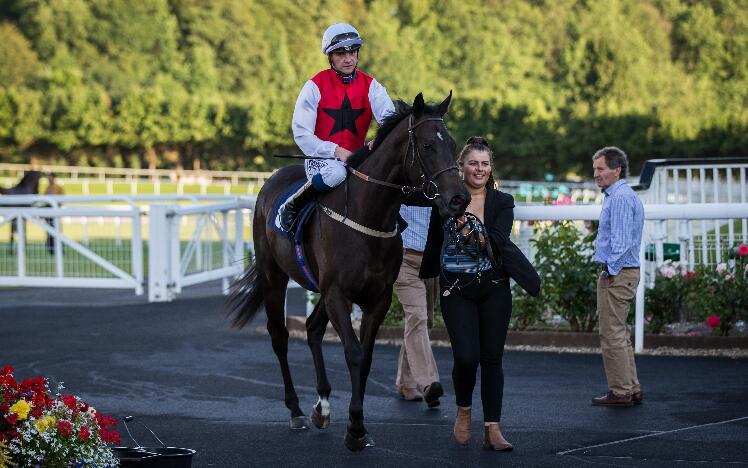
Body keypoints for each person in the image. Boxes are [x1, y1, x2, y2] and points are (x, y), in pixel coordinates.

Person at [419, 137, 539, 451]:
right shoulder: (444, 198)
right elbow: (428, 231)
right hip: (455, 289)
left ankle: (492, 428)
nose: (480, 169)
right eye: (473, 162)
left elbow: (497, 241)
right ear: (461, 167)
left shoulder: (502, 202)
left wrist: (469, 227)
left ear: (491, 168)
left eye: (485, 163)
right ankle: (463, 410)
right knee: (466, 356)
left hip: (494, 288)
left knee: (492, 360)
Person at [276, 22, 395, 231]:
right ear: (330, 57)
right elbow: (301, 133)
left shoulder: (372, 86)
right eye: (340, 53)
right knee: (337, 173)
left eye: (352, 52)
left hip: (357, 161)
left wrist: (381, 138)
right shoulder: (314, 85)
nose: (348, 59)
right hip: (322, 162)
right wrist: (336, 151)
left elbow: (390, 119)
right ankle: (293, 204)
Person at [590, 146, 644, 407]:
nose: (596, 174)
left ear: (616, 169)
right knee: (619, 334)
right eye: (595, 169)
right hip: (625, 272)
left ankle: (621, 392)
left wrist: (609, 271)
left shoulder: (620, 198)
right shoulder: (621, 195)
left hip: (619, 274)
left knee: (611, 334)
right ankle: (631, 388)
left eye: (600, 169)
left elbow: (620, 243)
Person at [394, 205, 442, 407]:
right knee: (417, 318)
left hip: (431, 263)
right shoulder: (402, 184)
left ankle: (406, 382)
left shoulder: (439, 185)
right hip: (403, 260)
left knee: (424, 322)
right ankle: (428, 383)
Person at [44, 173, 64, 255]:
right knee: (49, 231)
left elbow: (62, 199)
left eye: (50, 177)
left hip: (55, 212)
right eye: (48, 178)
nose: (49, 179)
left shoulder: (58, 188)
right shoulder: (47, 188)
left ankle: (59, 249)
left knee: (57, 230)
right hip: (48, 213)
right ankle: (51, 249)